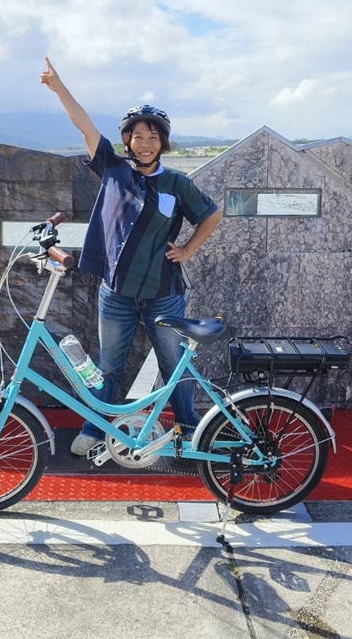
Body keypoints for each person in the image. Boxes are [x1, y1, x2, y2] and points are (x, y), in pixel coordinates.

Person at [39, 57, 223, 456]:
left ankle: (190, 427)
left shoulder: (177, 182)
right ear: (127, 141)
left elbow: (212, 214)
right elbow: (86, 126)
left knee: (175, 366)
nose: (145, 142)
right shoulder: (113, 170)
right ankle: (95, 425)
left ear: (164, 142)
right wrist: (59, 88)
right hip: (116, 292)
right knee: (108, 366)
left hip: (164, 292)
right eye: (138, 135)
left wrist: (189, 248)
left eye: (153, 136)